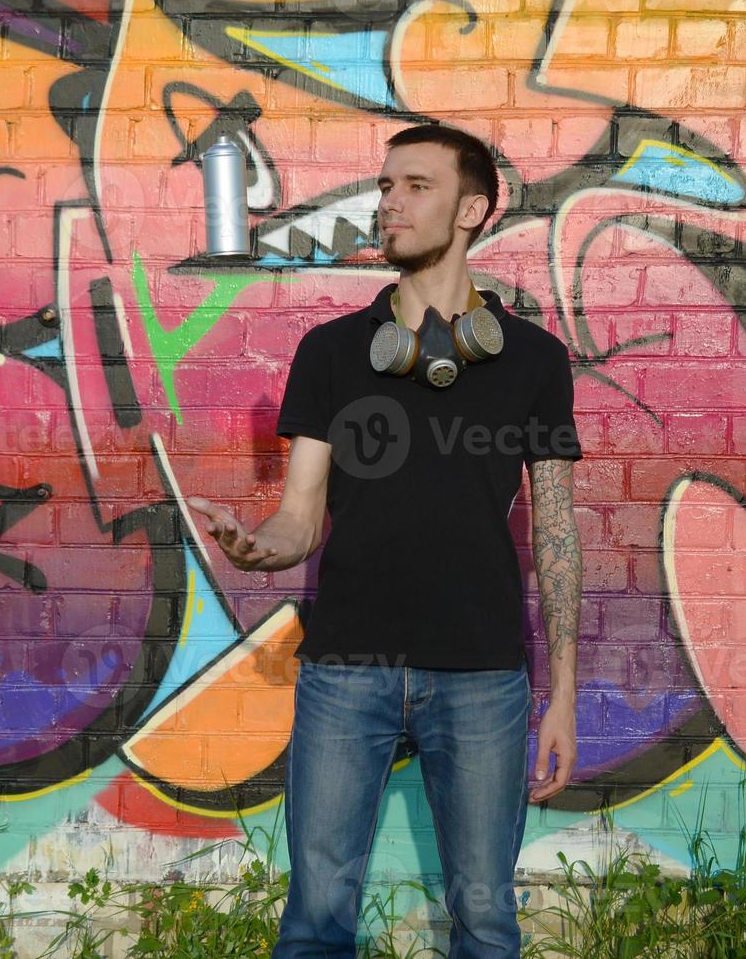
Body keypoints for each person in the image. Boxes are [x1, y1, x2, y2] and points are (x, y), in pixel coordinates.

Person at [187, 123, 583, 958]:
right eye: (385, 185)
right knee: (316, 917)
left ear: (472, 209)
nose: (388, 203)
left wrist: (566, 697)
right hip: (344, 673)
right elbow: (300, 516)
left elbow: (557, 535)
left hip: (483, 676)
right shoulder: (331, 353)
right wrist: (256, 548)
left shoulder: (535, 361)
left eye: (415, 186)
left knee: (485, 919)